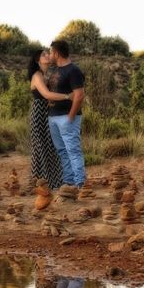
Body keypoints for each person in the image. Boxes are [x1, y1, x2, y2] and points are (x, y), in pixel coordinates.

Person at [27, 49, 72, 189]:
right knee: (40, 147)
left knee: (51, 146)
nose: (47, 56)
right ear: (37, 60)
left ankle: (49, 183)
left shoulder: (47, 75)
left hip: (48, 112)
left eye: (48, 53)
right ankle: (41, 184)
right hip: (39, 113)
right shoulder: (37, 75)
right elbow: (46, 94)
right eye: (43, 55)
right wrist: (67, 96)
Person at [48, 40, 86, 187]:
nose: (50, 54)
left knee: (73, 150)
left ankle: (79, 183)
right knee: (62, 151)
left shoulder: (73, 70)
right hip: (53, 117)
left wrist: (71, 116)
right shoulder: (55, 71)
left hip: (67, 117)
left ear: (57, 53)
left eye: (51, 52)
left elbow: (79, 95)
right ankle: (69, 181)